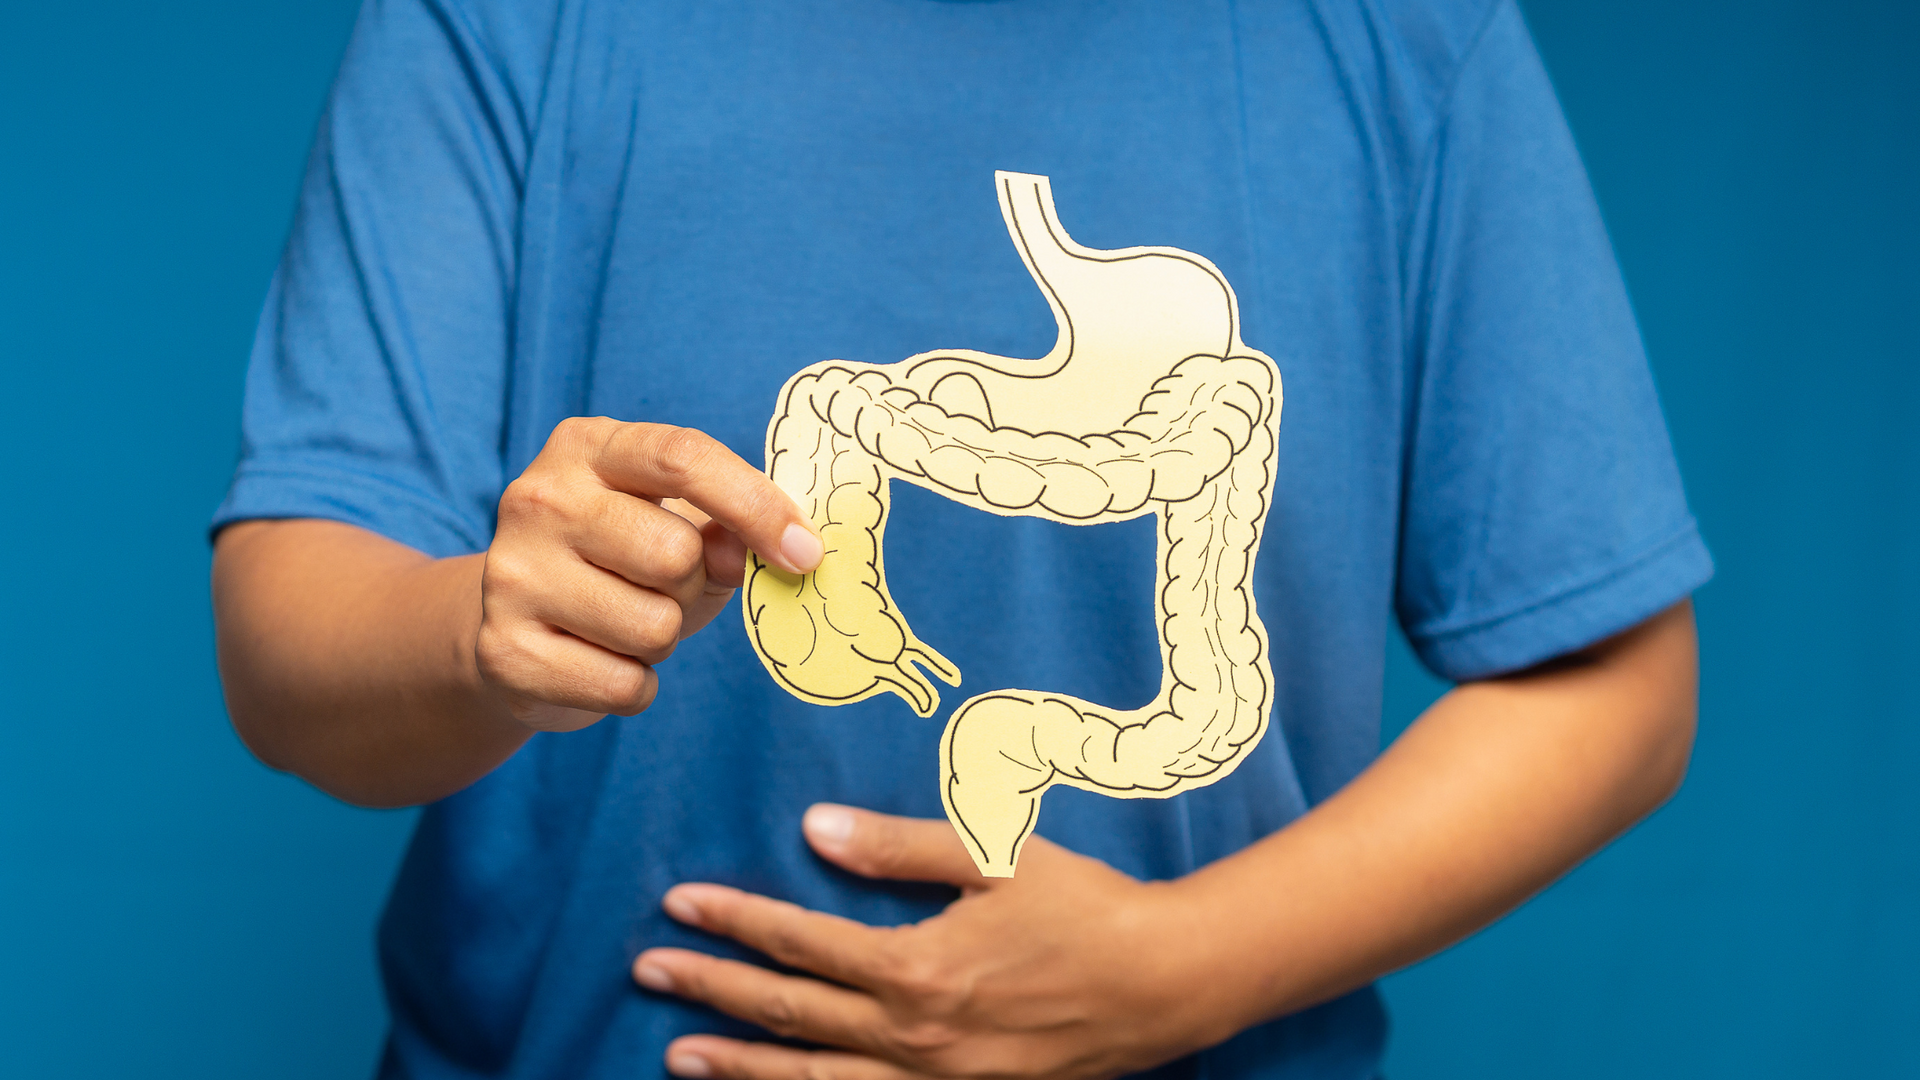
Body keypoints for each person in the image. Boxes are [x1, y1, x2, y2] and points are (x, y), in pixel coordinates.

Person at [210, 1, 1711, 1077]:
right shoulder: (505, 25)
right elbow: (288, 650)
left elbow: (1619, 692)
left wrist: (1183, 971)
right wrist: (484, 635)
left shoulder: (1400, 37)